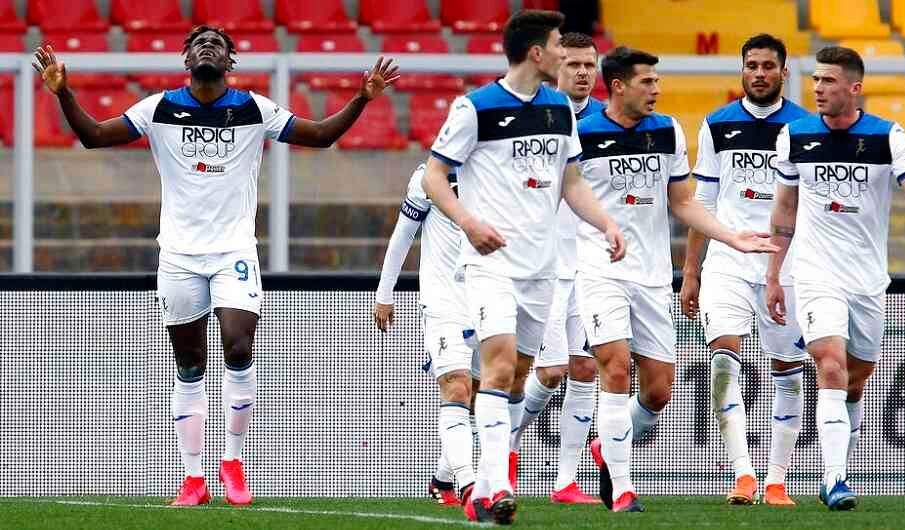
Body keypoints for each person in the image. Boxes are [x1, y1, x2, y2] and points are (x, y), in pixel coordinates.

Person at [33, 25, 399, 507]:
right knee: (189, 363)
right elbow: (94, 136)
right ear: (186, 58)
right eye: (199, 42)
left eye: (218, 43)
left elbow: (321, 135)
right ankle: (193, 478)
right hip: (180, 256)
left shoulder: (253, 108)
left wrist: (361, 97)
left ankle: (232, 461)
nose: (208, 45)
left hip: (234, 252)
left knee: (237, 342)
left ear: (230, 61)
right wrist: (65, 93)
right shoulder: (158, 108)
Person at [422, 9, 626, 525]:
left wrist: (606, 224)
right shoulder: (475, 108)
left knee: (517, 379)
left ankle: (487, 482)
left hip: (544, 269)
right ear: (537, 52)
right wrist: (468, 222)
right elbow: (434, 176)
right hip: (491, 266)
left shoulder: (561, 109)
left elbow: (572, 182)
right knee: (495, 366)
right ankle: (492, 489)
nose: (564, 54)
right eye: (559, 45)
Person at [576, 46, 778, 513]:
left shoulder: (667, 131)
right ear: (619, 85)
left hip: (650, 276)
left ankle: (609, 443)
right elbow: (560, 197)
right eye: (648, 81)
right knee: (615, 366)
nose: (657, 89)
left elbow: (685, 203)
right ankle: (622, 489)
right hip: (598, 269)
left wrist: (732, 238)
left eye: (657, 81)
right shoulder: (580, 135)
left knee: (659, 391)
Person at [767, 46, 905, 510]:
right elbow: (784, 210)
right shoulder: (795, 135)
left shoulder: (887, 136)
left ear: (854, 87)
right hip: (814, 272)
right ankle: (833, 481)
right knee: (829, 363)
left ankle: (838, 468)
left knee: (856, 379)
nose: (818, 89)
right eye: (815, 81)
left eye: (828, 81)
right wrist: (774, 274)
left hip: (867, 279)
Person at [678, 33, 810, 506]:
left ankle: (777, 479)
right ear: (742, 70)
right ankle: (743, 474)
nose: (759, 73)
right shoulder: (717, 125)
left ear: (783, 72)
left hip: (786, 263)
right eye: (751, 65)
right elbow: (704, 202)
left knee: (789, 371)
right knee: (721, 359)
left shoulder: (805, 127)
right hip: (729, 260)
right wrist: (691, 270)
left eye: (767, 66)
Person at [506, 31, 604, 505]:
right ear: (556, 66)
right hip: (541, 264)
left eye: (590, 65)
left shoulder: (609, 120)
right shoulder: (534, 116)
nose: (582, 72)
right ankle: (502, 440)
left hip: (591, 263)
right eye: (573, 65)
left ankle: (566, 480)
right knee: (550, 370)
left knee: (585, 369)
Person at [373, 163, 480, 507]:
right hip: (444, 302)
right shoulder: (429, 175)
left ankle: (443, 479)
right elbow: (403, 234)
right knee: (457, 385)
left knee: (480, 398)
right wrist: (384, 293)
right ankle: (469, 485)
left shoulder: (498, 165)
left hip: (490, 299)